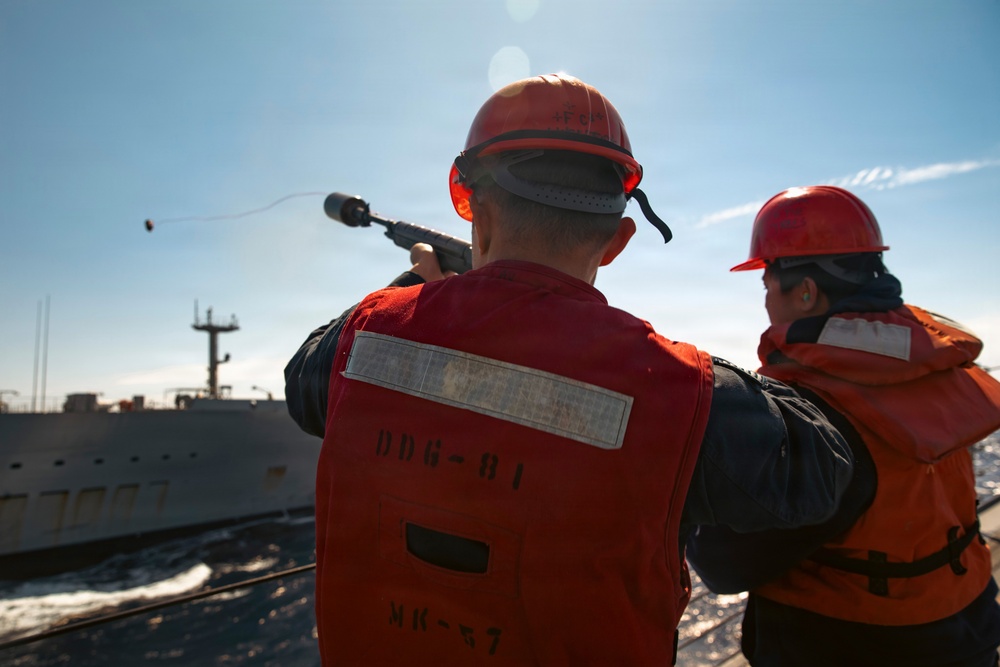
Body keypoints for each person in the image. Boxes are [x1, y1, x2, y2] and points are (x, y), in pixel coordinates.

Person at [285, 74, 854, 665]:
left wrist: (420, 290)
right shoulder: (680, 388)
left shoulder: (366, 334)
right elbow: (821, 468)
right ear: (617, 240)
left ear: (468, 203)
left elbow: (303, 384)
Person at [687, 185, 1000, 666]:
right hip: (969, 626)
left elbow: (727, 565)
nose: (767, 304)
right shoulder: (933, 367)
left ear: (806, 291)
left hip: (852, 644)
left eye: (767, 286)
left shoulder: (815, 410)